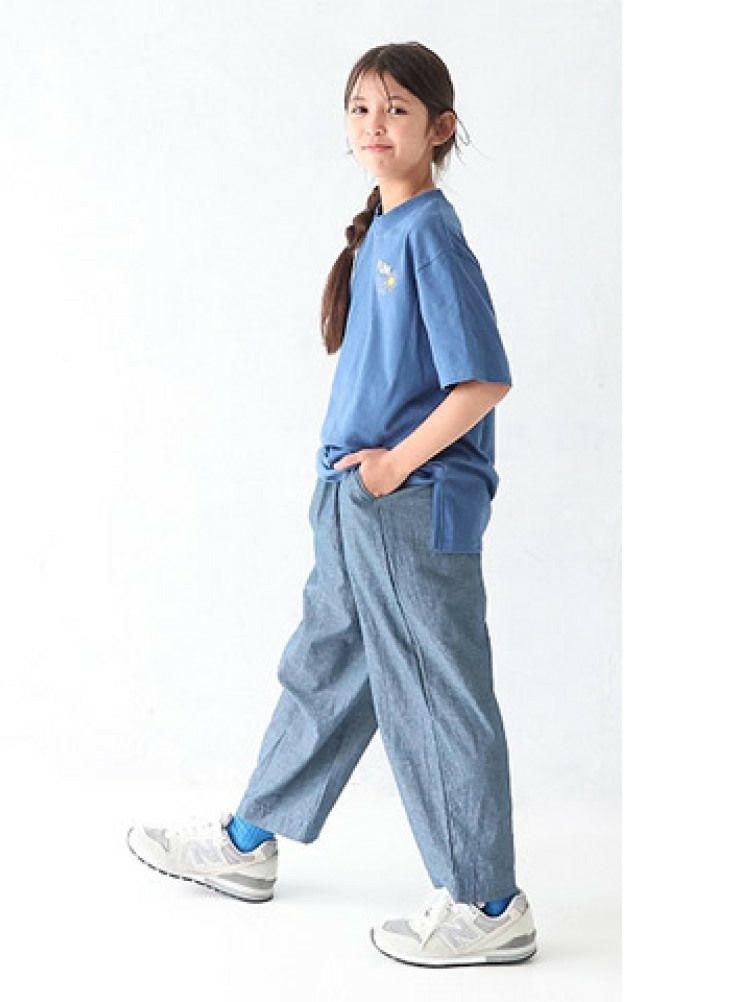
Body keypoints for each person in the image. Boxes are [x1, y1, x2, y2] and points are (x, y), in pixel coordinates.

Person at [127, 41, 537, 968]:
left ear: (441, 128)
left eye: (396, 109)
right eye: (360, 109)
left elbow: (483, 383)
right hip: (359, 501)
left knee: (435, 694)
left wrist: (391, 470)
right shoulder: (383, 231)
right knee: (325, 671)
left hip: (411, 504)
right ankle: (248, 841)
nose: (374, 125)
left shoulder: (429, 233)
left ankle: (488, 903)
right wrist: (358, 482)